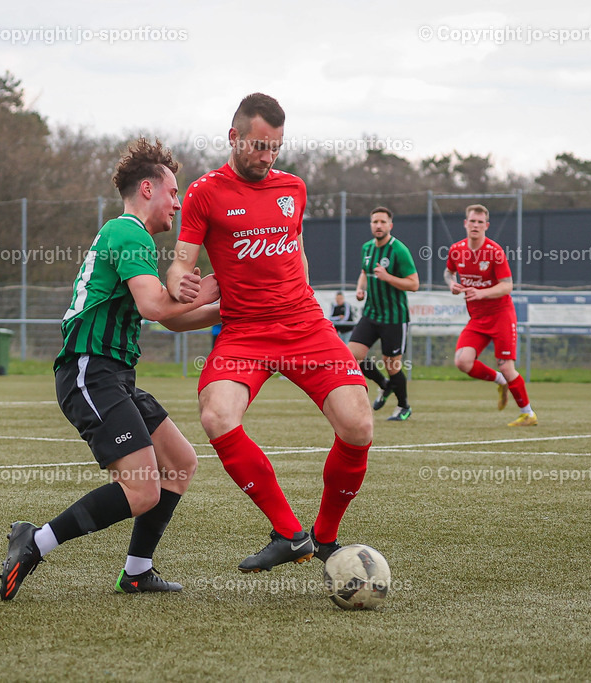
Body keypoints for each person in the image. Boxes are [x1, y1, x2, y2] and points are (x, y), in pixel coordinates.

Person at [0, 138, 221, 600]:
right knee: (143, 490)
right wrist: (224, 285)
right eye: (173, 193)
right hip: (89, 371)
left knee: (179, 463)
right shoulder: (128, 233)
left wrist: (228, 307)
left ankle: (137, 572)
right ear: (147, 188)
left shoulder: (131, 238)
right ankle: (34, 540)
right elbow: (157, 306)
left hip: (116, 375)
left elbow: (171, 320)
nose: (178, 204)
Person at [167, 93, 373, 572]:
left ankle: (325, 538)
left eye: (275, 148)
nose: (267, 157)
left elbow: (296, 251)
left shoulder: (294, 188)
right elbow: (181, 265)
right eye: (259, 146)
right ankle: (289, 532)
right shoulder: (204, 192)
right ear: (234, 137)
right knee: (217, 415)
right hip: (244, 332)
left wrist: (299, 292)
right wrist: (181, 284)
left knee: (359, 425)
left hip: (305, 325)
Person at [445, 204, 537, 427]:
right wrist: (452, 285)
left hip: (501, 316)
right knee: (462, 362)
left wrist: (482, 292)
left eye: (480, 222)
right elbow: (449, 272)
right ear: (465, 223)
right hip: (477, 319)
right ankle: (500, 380)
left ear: (486, 226)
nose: (475, 225)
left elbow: (507, 286)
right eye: (472, 221)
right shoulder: (456, 250)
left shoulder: (494, 251)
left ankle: (528, 414)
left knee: (506, 365)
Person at [347, 206, 419, 422]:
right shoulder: (367, 248)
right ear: (371, 225)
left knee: (392, 364)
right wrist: (361, 289)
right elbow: (364, 273)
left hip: (394, 317)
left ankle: (403, 406)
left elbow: (414, 284)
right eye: (375, 222)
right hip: (371, 313)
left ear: (390, 225)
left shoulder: (399, 250)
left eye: (382, 222)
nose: (378, 225)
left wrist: (388, 277)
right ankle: (384, 385)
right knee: (351, 356)